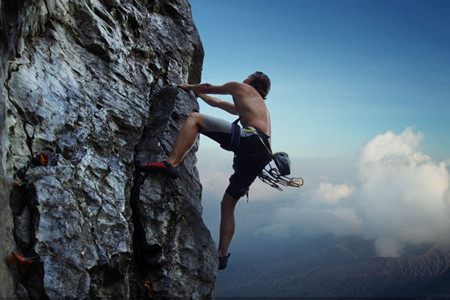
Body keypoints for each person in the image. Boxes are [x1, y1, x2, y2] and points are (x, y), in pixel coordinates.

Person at [138, 71, 272, 270]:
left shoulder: (241, 87)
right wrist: (199, 95)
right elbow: (217, 102)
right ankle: (222, 255)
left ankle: (171, 164)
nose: (245, 78)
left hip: (251, 139)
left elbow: (209, 86)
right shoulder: (254, 105)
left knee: (195, 119)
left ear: (251, 80)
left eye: (249, 76)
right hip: (263, 153)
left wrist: (190, 87)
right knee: (228, 203)